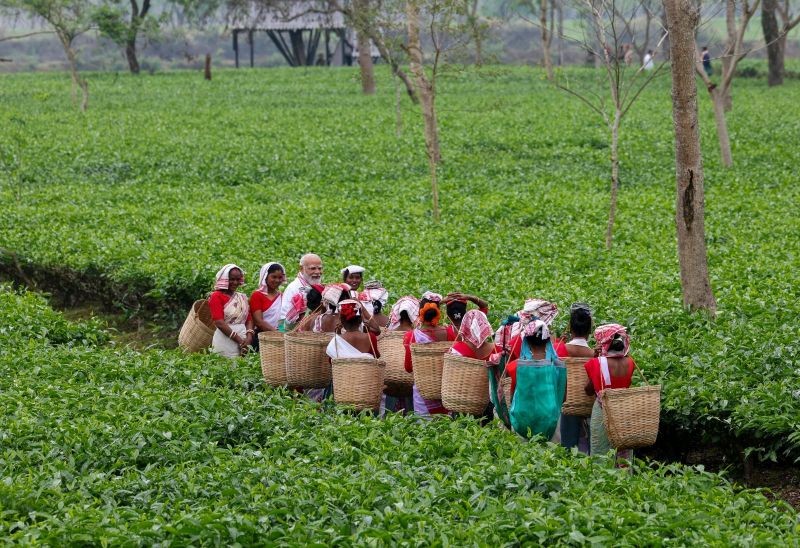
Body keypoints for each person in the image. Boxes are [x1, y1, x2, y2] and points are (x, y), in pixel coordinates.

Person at [584, 324, 636, 462]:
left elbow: (588, 391)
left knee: (600, 451)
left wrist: (595, 358)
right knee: (624, 451)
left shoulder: (596, 363)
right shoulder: (630, 362)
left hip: (602, 412)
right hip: (624, 411)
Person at [403, 292, 457, 416]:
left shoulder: (411, 337)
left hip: (423, 393)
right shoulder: (449, 332)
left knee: (425, 429)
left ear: (420, 312)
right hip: (446, 389)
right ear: (438, 312)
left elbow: (408, 368)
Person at [558, 303, 595, 453]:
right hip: (589, 406)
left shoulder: (561, 349)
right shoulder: (594, 354)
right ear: (589, 330)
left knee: (567, 448)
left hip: (566, 403)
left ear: (570, 328)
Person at [209, 264, 253, 358]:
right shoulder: (216, 296)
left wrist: (248, 338)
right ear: (224, 280)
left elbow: (249, 319)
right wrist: (239, 341)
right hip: (225, 340)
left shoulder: (242, 297)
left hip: (243, 339)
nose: (235, 282)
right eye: (231, 279)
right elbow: (219, 322)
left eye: (237, 279)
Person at [249, 262, 285, 350]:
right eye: (274, 277)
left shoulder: (281, 296)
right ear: (265, 276)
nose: (277, 280)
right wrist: (276, 333)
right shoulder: (257, 295)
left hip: (279, 338)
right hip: (262, 337)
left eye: (280, 277)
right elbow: (258, 321)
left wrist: (281, 333)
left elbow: (282, 318)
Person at [280, 253, 323, 326]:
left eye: (319, 268)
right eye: (313, 268)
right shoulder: (294, 288)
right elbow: (284, 318)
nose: (317, 272)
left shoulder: (319, 286)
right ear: (301, 269)